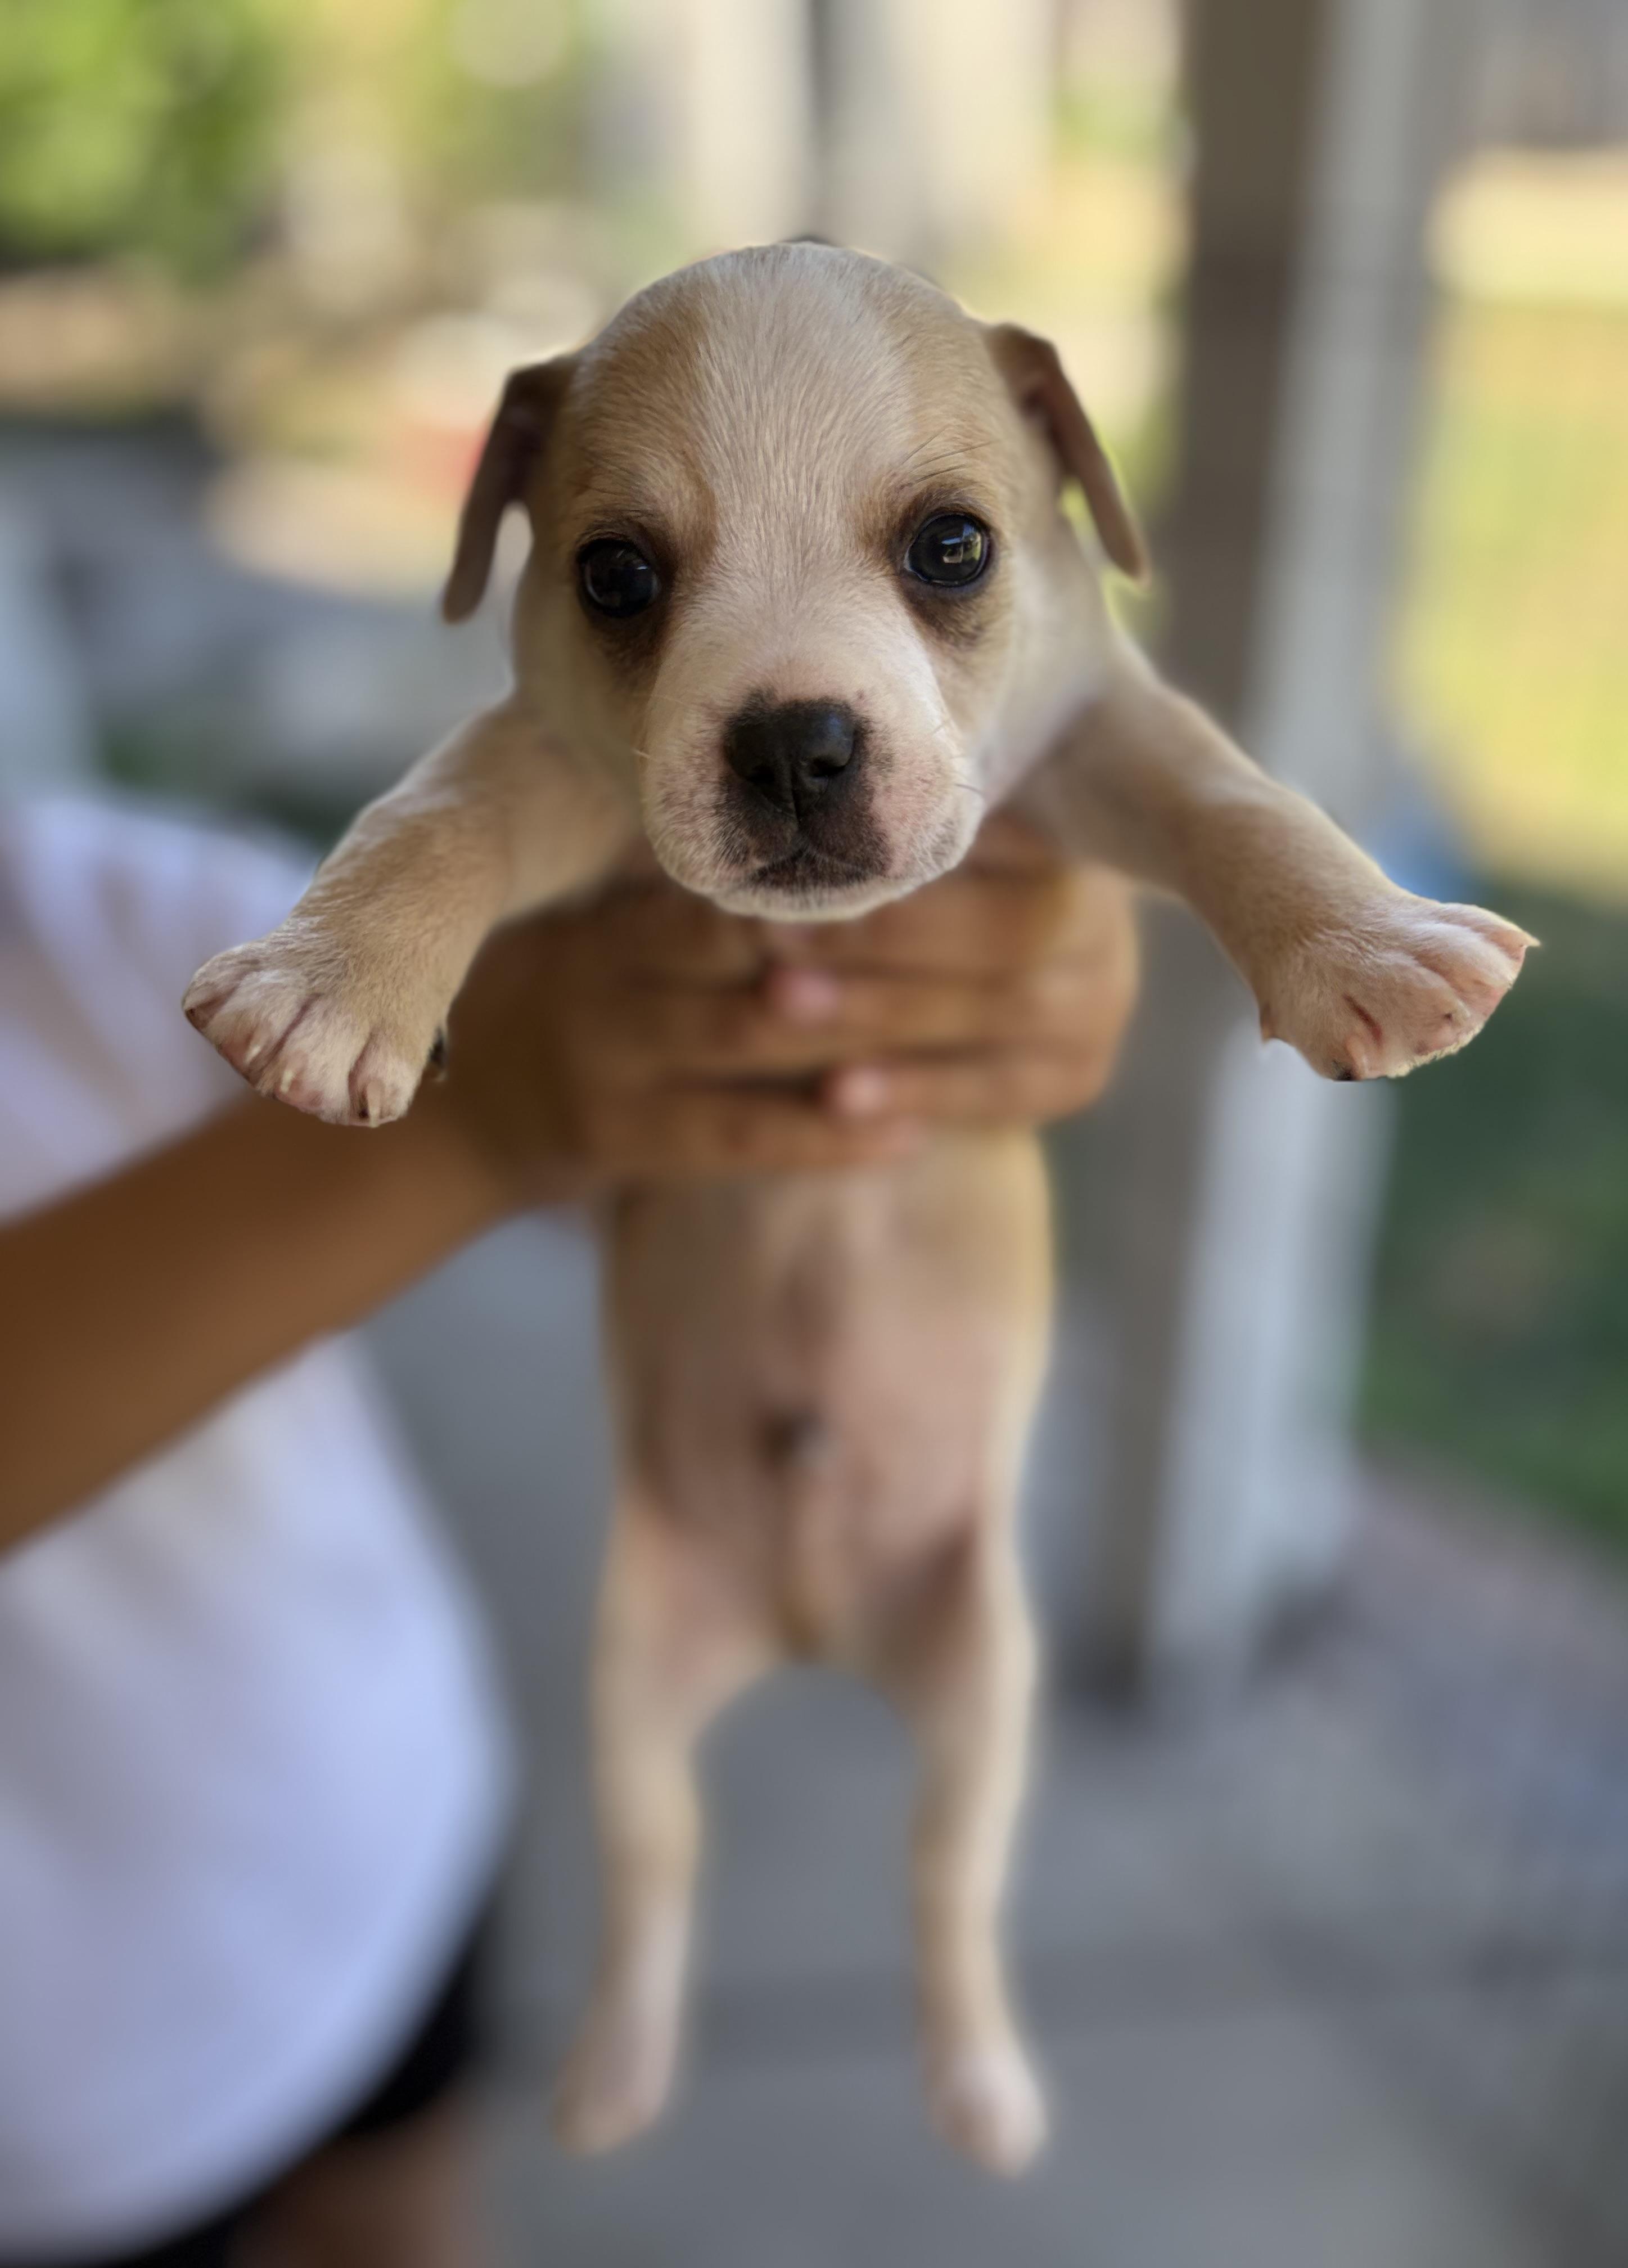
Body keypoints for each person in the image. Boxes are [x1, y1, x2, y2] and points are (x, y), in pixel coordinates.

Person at [0, 791, 1135, 2268]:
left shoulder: (78, 901)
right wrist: (489, 1111)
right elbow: (515, 1078)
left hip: (362, 1829)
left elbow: (642, 1098)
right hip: (52, 2117)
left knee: (409, 2217)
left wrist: (939, 999)